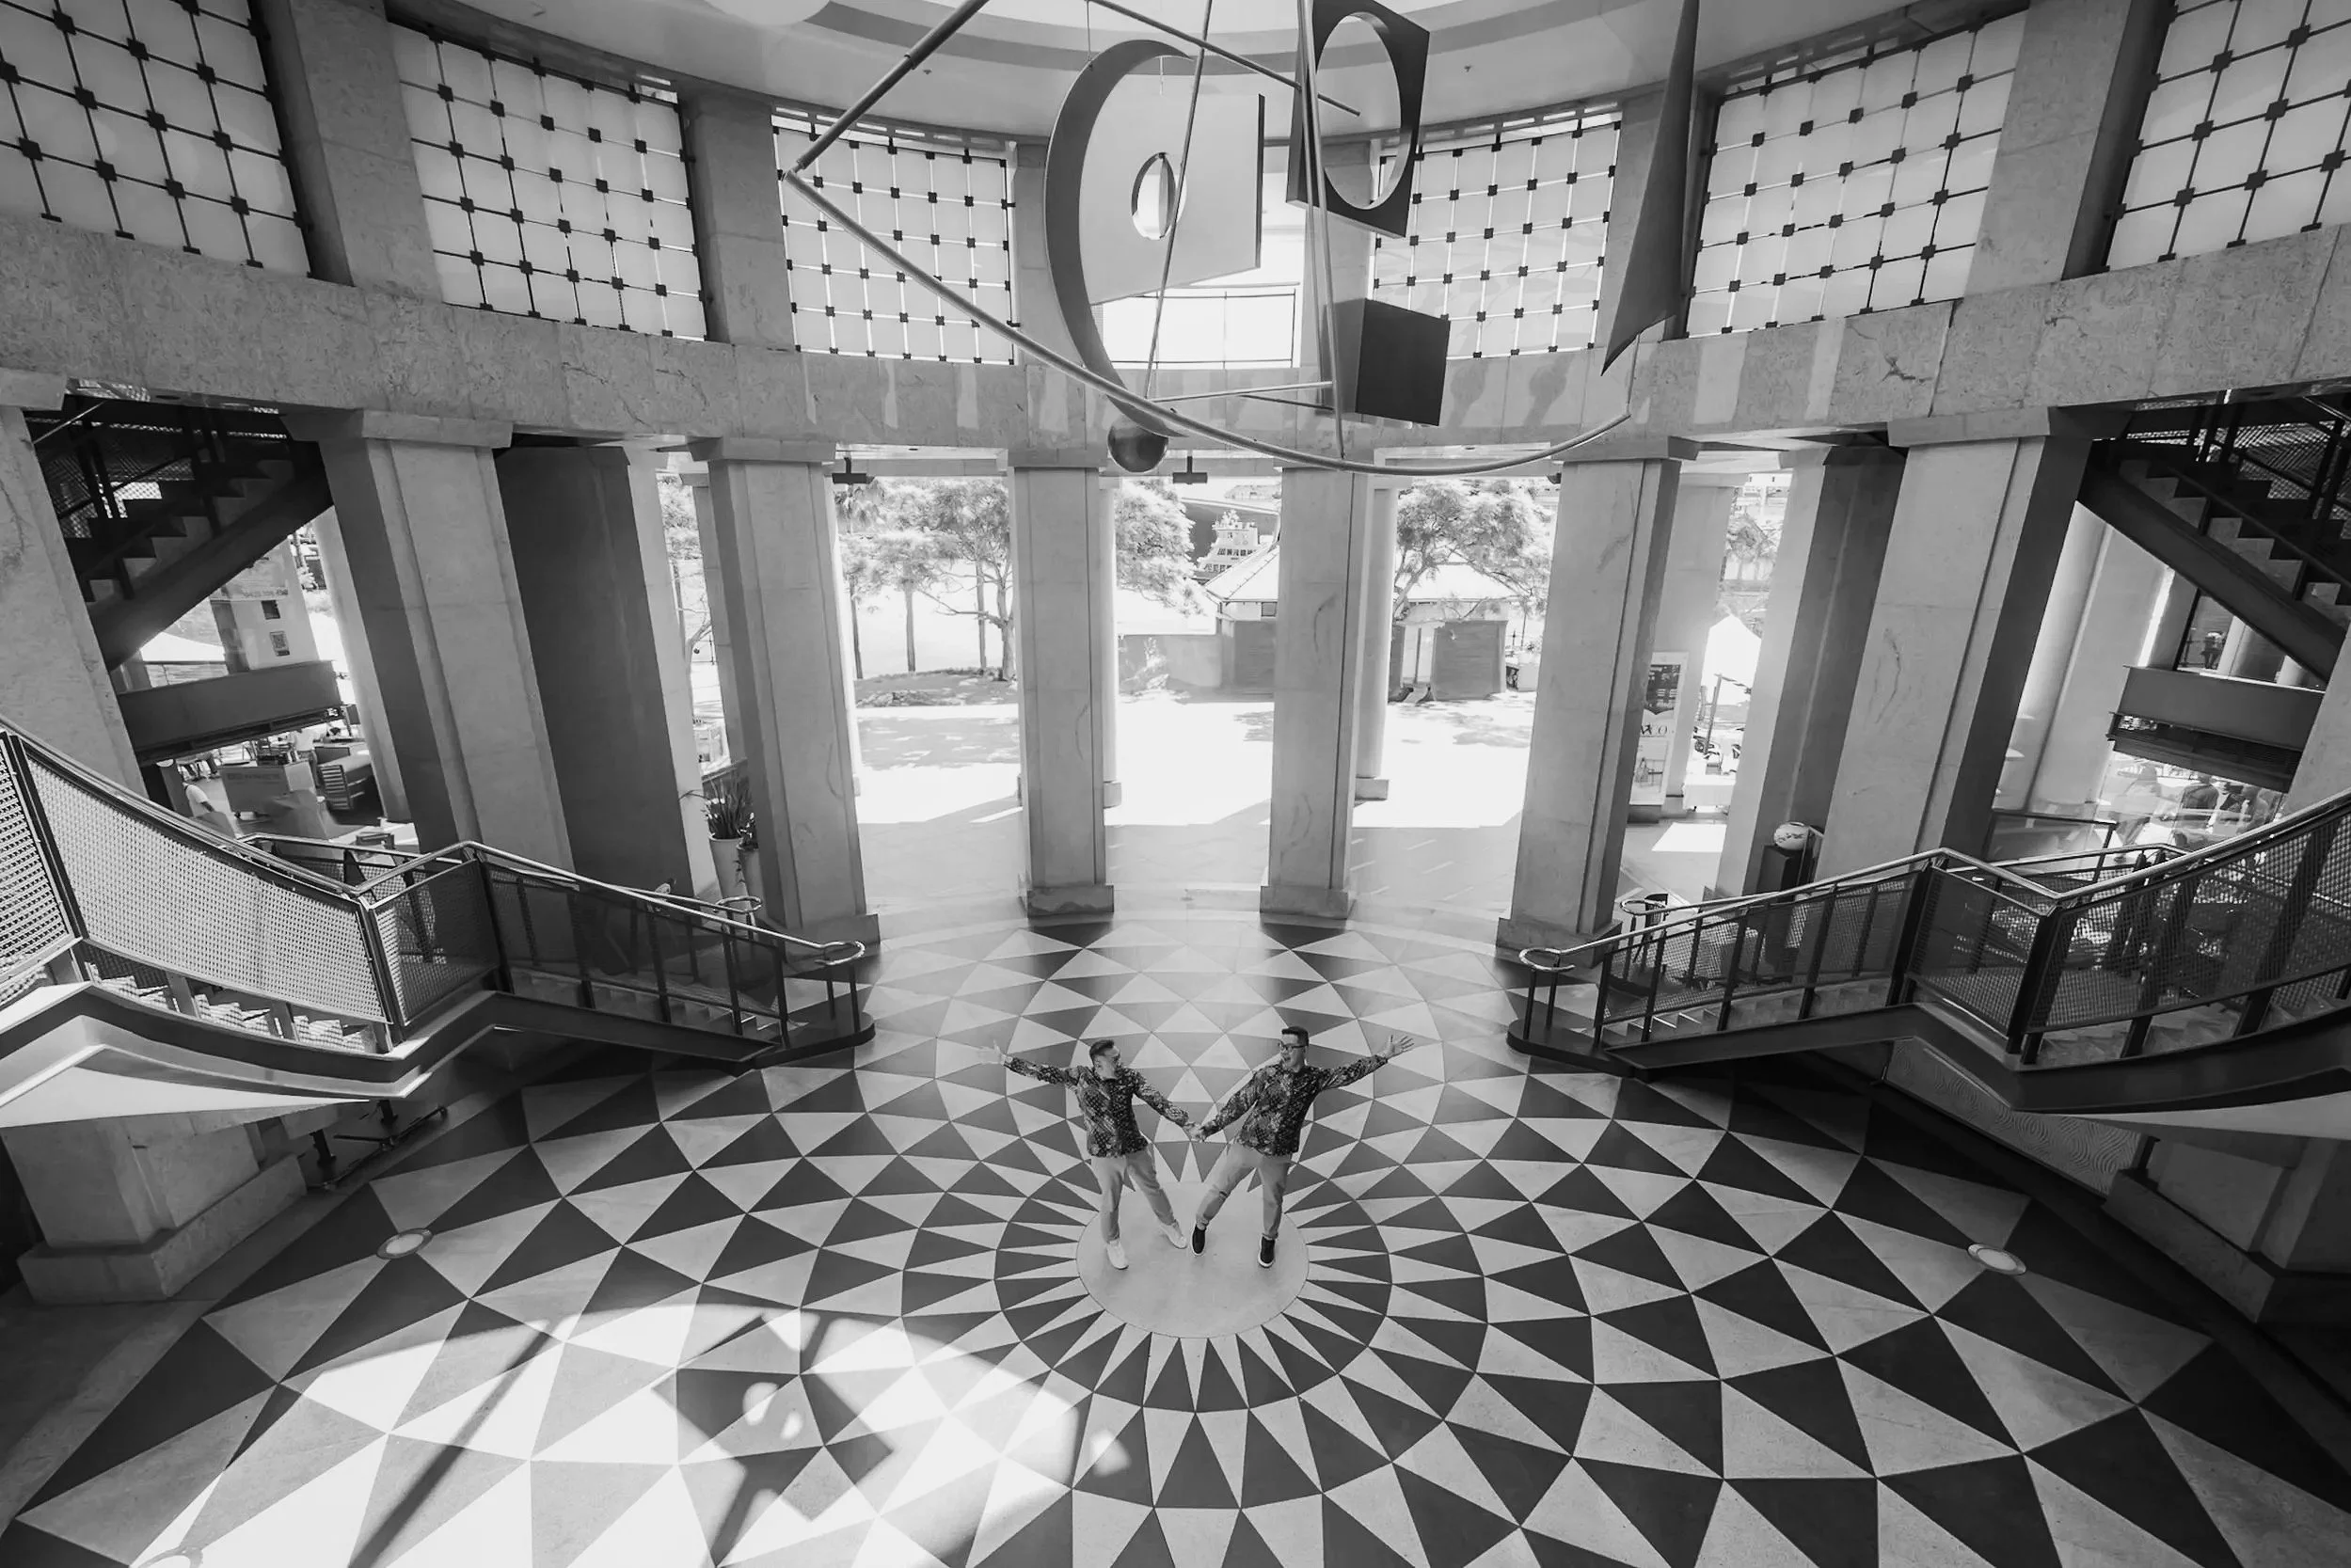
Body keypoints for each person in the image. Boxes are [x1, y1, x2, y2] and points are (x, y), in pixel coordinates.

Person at [1191, 1026, 1421, 1268]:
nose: (1284, 1052)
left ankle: (1268, 1241)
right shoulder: (1267, 1074)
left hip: (1279, 1154)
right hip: (1247, 1145)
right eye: (1281, 1046)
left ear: (1304, 1049)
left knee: (1273, 1200)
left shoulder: (1314, 1078)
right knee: (1220, 1189)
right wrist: (1209, 1128)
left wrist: (1384, 1055)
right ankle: (1200, 1224)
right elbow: (1238, 1103)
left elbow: (1349, 1073)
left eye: (1290, 1047)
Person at [994, 1038, 1192, 1271]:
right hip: (1104, 1153)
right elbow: (1043, 1072)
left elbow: (1157, 1100)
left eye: (1119, 1057)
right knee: (1110, 1199)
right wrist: (1005, 1060)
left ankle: (1169, 1224)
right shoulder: (1080, 1077)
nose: (1121, 1062)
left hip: (1134, 1147)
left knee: (1153, 1188)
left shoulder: (1130, 1077)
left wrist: (1186, 1122)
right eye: (1115, 1059)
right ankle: (1112, 1242)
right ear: (1099, 1063)